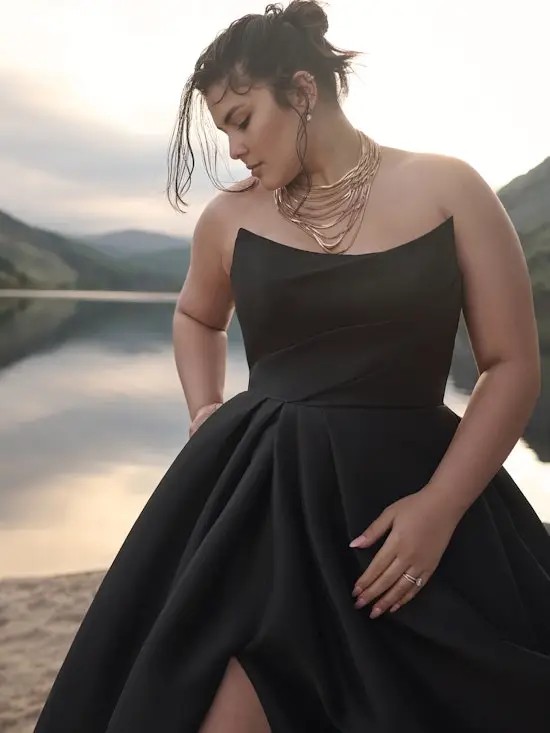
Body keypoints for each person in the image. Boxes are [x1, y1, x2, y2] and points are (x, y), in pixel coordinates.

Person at [34, 2, 550, 732]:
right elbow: (196, 317)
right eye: (223, 130)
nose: (234, 148)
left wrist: (439, 508)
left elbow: (511, 364)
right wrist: (206, 408)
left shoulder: (449, 189)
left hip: (407, 500)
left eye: (242, 119)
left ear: (303, 91)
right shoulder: (229, 218)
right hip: (258, 505)